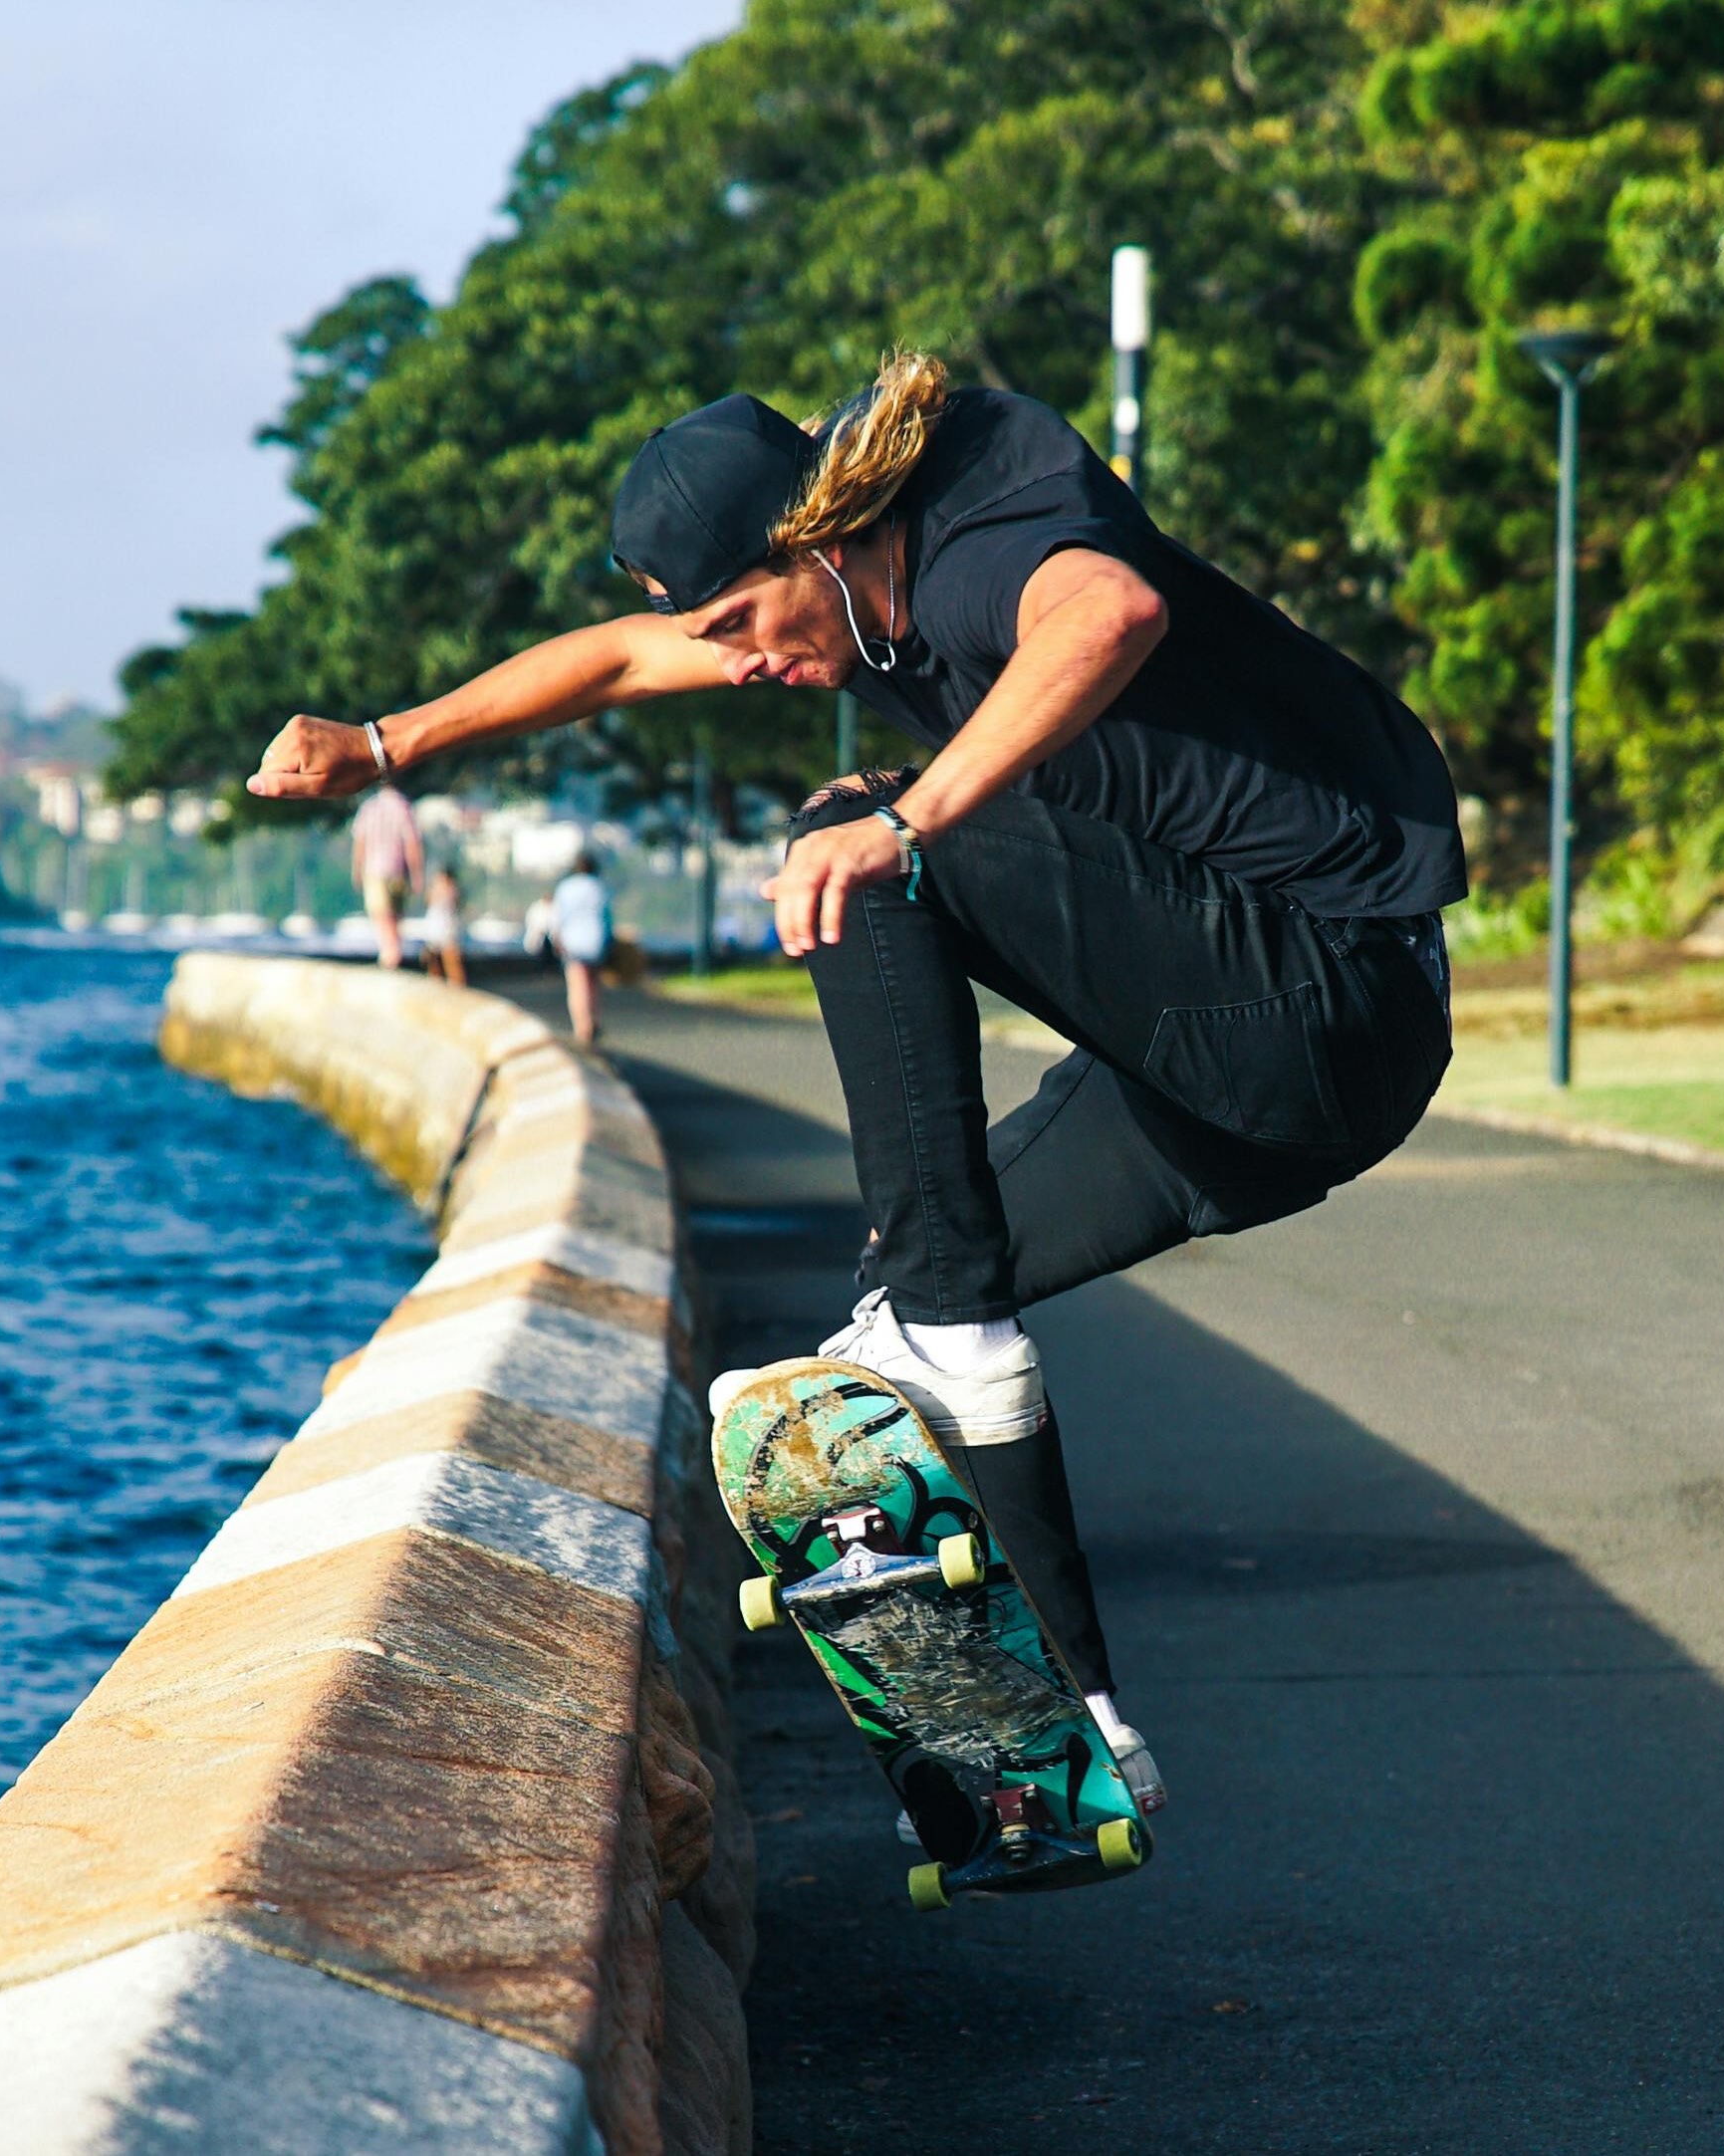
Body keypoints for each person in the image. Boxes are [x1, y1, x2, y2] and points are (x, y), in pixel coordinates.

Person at [247, 352, 1466, 1826]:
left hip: (1328, 995)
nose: (743, 665)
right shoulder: (819, 588)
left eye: (741, 627)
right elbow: (621, 661)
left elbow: (1108, 613)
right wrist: (385, 743)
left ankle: (951, 1331)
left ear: (815, 541)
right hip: (1232, 1097)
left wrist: (912, 819)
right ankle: (1071, 1734)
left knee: (852, 839)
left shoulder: (979, 529)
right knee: (909, 1304)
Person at [349, 781, 422, 969]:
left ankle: (389, 955)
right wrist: (416, 874)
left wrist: (357, 869)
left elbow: (360, 841)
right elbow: (412, 844)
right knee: (395, 915)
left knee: (381, 914)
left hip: (374, 869)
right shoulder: (403, 807)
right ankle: (393, 952)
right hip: (398, 869)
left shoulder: (369, 807)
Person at [550, 851, 614, 1045]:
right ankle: (593, 1019)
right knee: (593, 983)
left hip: (573, 942)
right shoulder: (599, 887)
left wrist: (556, 941)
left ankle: (582, 1026)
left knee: (578, 985)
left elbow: (557, 918)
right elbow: (607, 917)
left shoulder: (565, 887)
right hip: (596, 941)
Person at [420, 864, 467, 986]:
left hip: (448, 932)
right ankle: (435, 984)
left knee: (452, 962)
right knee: (433, 963)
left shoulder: (453, 891)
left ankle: (456, 986)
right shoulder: (433, 892)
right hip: (434, 933)